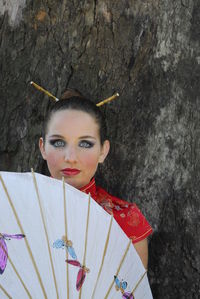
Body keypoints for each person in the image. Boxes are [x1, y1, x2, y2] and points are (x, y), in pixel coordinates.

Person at [39, 89, 153, 269]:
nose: (71, 157)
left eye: (85, 144)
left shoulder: (125, 222)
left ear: (103, 151)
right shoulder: (16, 209)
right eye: (59, 143)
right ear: (42, 147)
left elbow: (133, 292)